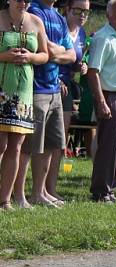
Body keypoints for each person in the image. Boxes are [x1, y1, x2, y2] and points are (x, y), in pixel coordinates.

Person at [16, 0, 76, 208]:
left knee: (51, 145)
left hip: (54, 89)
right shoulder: (32, 11)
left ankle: (39, 192)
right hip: (35, 87)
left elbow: (72, 54)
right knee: (28, 147)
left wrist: (56, 53)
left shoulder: (59, 17)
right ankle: (19, 194)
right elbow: (44, 49)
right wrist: (58, 52)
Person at [0, 0, 49, 210]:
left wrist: (30, 56)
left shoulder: (36, 22)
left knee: (16, 146)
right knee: (0, 145)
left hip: (23, 94)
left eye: (27, 0)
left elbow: (45, 55)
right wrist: (4, 56)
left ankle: (5, 200)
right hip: (1, 90)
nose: (24, 3)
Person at [85, 0, 116, 203]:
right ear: (109, 16)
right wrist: (101, 102)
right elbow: (93, 71)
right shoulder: (103, 38)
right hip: (109, 96)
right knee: (108, 146)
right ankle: (100, 191)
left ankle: (110, 189)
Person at [50, 0, 89, 200]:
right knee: (37, 142)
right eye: (78, 10)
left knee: (60, 141)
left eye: (86, 12)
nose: (82, 15)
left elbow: (73, 61)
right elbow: (49, 55)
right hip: (49, 84)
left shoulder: (81, 33)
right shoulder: (57, 25)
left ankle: (51, 188)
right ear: (67, 9)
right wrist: (55, 78)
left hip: (67, 89)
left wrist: (80, 68)